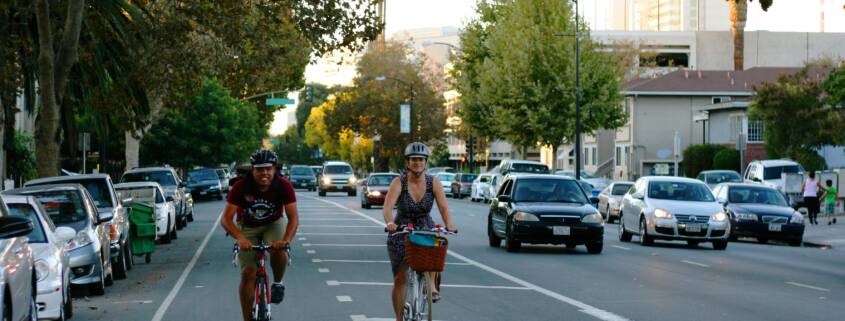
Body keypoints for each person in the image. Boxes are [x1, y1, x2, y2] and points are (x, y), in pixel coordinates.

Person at [220, 149, 299, 321]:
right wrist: (240, 238)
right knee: (248, 273)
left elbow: (293, 219)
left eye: (268, 169)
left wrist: (285, 241)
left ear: (275, 169)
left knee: (279, 249)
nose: (265, 173)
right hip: (247, 226)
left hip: (273, 223)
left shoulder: (284, 185)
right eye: (259, 169)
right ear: (252, 170)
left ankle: (278, 283)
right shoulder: (241, 186)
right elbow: (226, 219)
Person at [383, 142, 457, 321]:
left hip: (425, 225)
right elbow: (387, 208)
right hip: (402, 229)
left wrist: (449, 224)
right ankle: (399, 318)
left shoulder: (434, 182)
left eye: (421, 159)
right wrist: (390, 222)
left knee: (433, 250)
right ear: (408, 162)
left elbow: (444, 208)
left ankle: (431, 287)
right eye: (414, 159)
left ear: (426, 162)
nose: (417, 163)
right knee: (401, 277)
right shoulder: (399, 182)